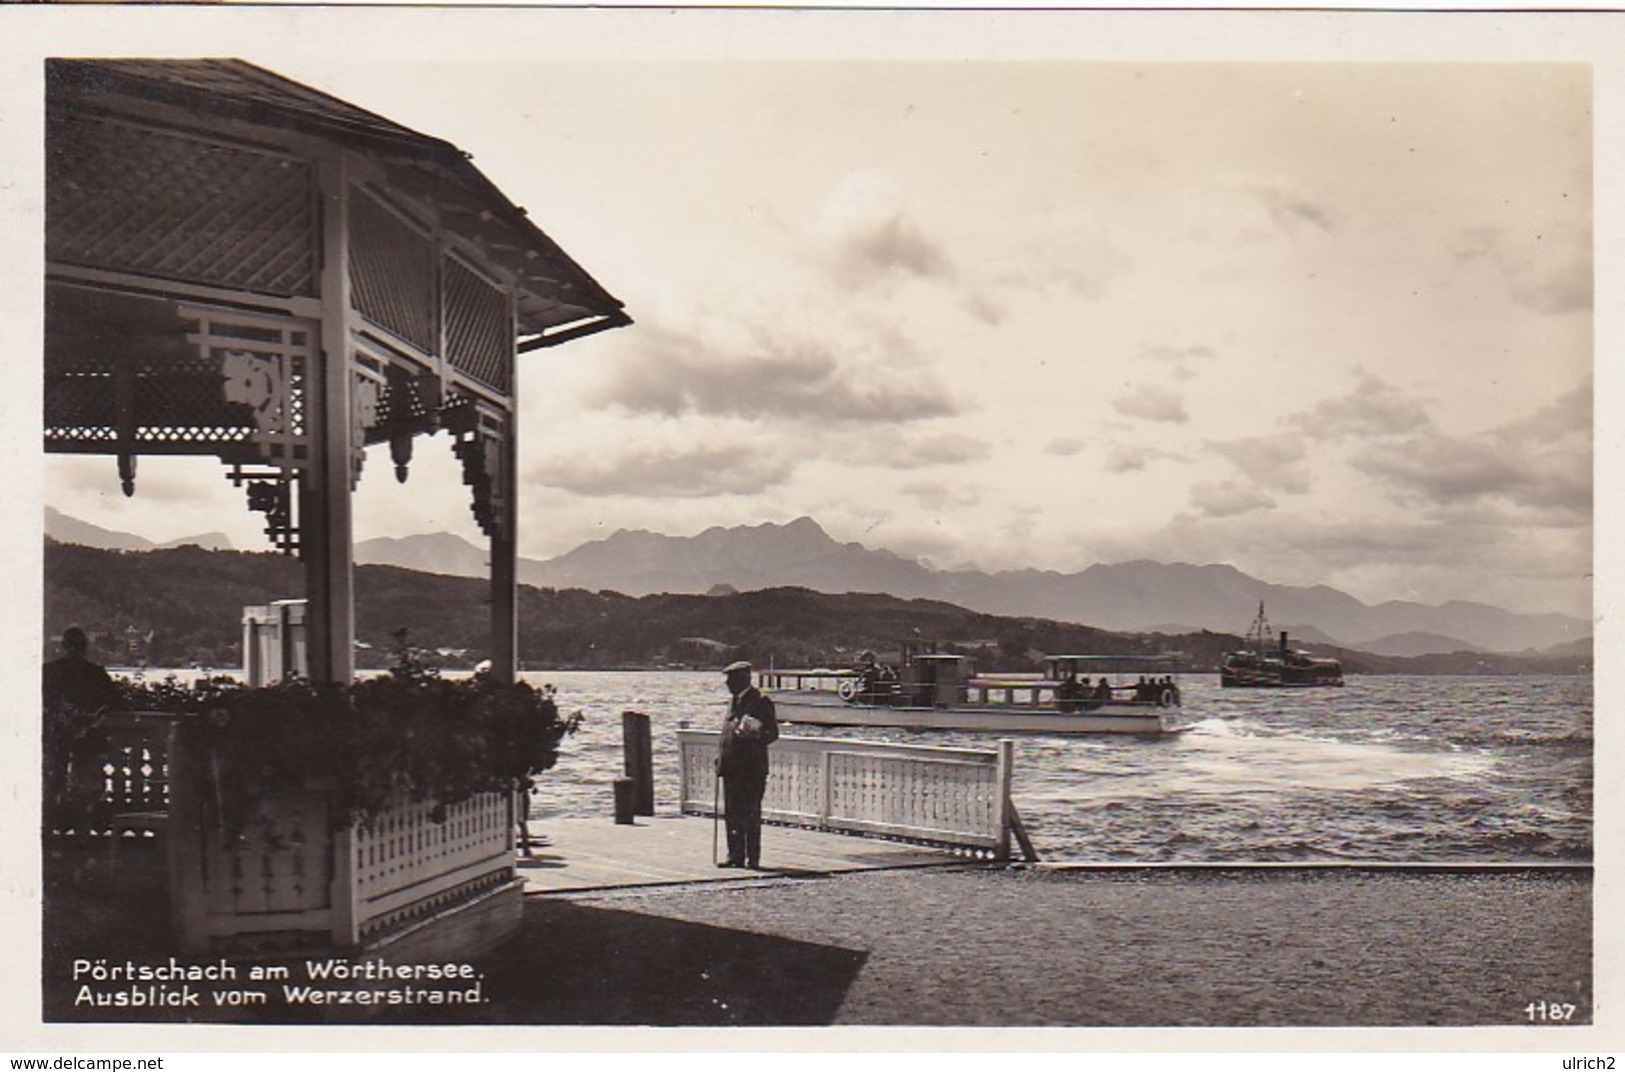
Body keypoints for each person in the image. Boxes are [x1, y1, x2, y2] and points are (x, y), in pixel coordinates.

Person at [42, 627, 119, 829]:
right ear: (85, 649)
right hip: (88, 741)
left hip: (55, 740)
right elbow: (114, 705)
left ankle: (50, 836)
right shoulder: (96, 674)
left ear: (63, 647)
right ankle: (82, 836)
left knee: (51, 788)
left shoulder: (48, 672)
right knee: (85, 792)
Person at [716, 659, 779, 869]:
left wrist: (755, 734)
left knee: (750, 812)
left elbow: (772, 733)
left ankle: (753, 858)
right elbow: (727, 733)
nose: (727, 683)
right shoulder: (732, 702)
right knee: (732, 812)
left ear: (743, 679)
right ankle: (735, 855)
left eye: (731, 679)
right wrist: (721, 756)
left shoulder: (761, 701)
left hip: (751, 769)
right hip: (731, 767)